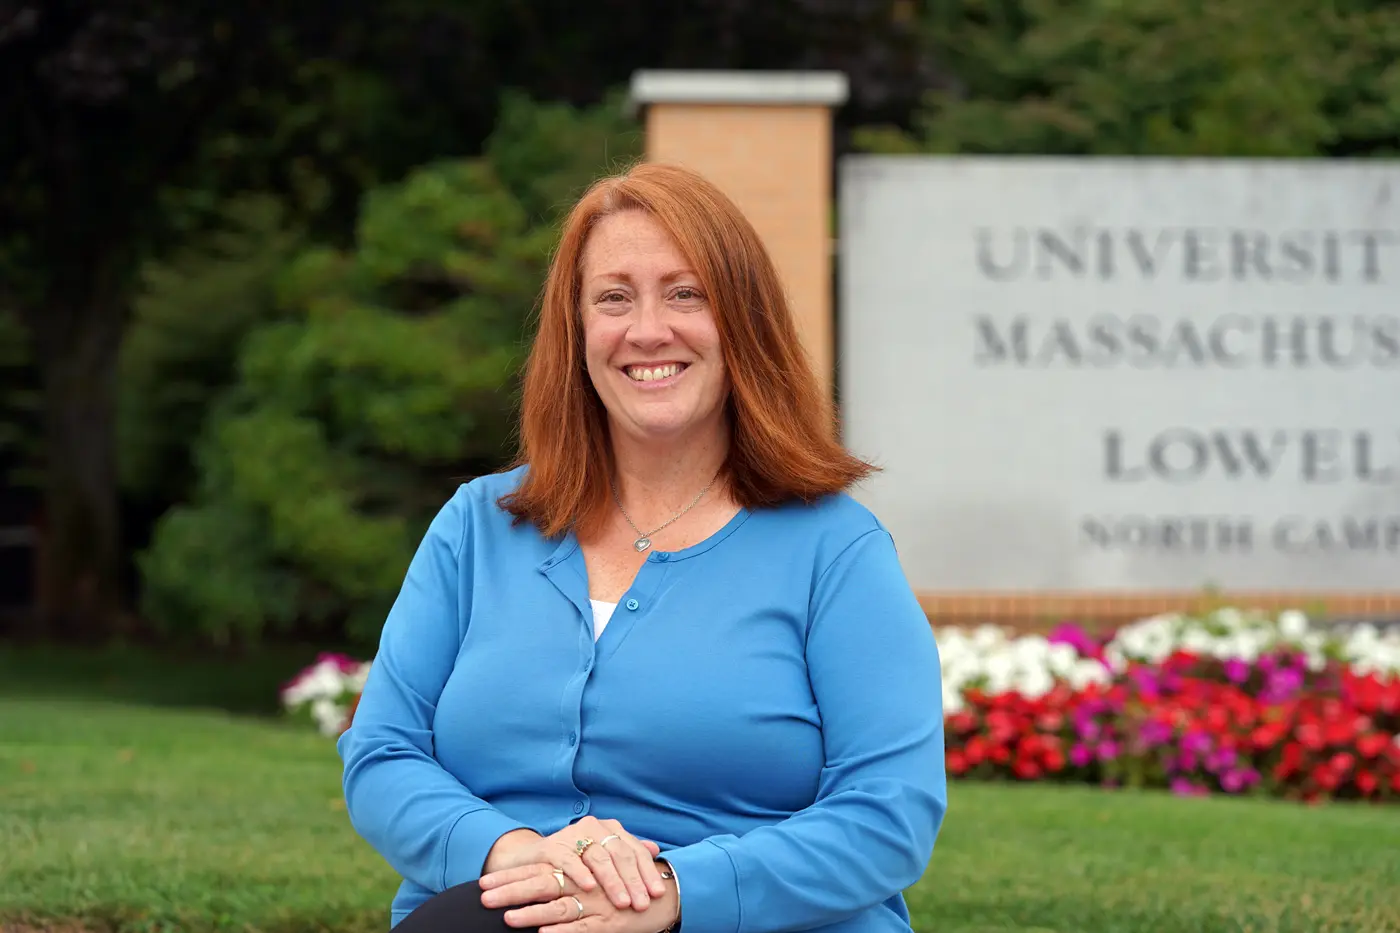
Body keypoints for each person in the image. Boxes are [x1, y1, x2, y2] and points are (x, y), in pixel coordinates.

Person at [337, 161, 948, 933]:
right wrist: (522, 855)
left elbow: (889, 816)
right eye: (614, 298)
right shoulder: (476, 527)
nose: (647, 330)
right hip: (496, 911)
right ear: (577, 330)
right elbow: (382, 752)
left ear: (742, 323)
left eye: (685, 294)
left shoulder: (836, 549)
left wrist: (670, 891)